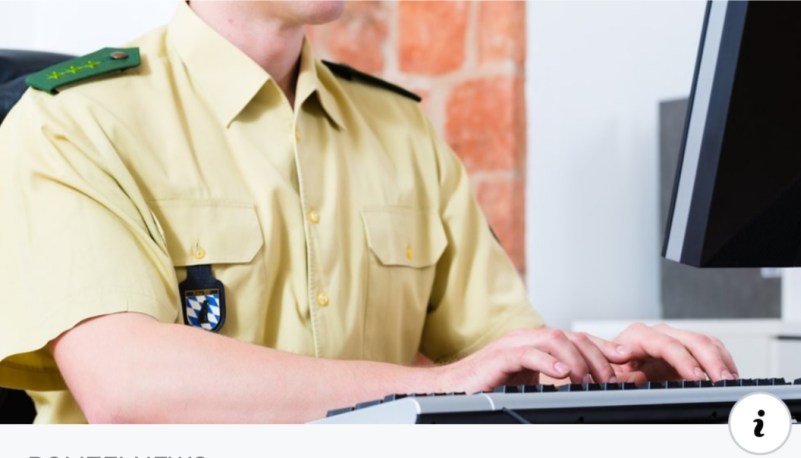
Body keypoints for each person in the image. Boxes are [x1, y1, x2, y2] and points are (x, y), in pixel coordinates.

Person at [0, 1, 738, 424]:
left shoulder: (400, 128)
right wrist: (438, 385)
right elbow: (129, 386)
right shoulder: (73, 119)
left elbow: (502, 355)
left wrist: (608, 373)